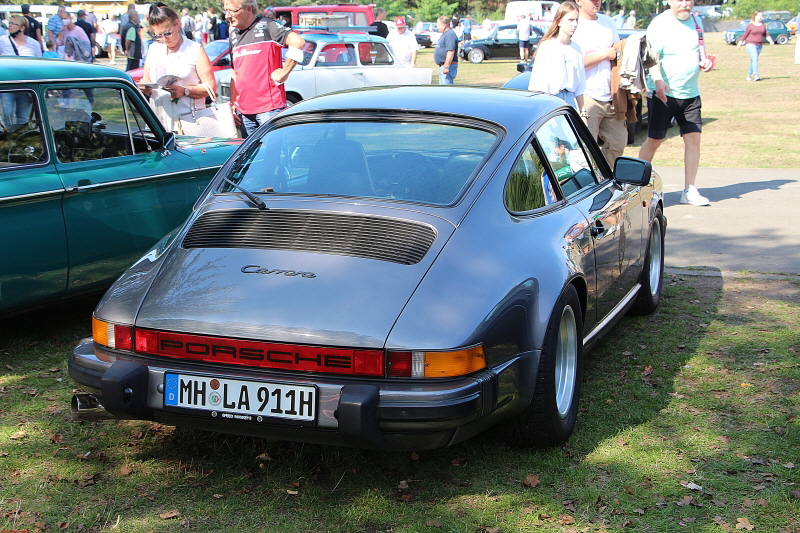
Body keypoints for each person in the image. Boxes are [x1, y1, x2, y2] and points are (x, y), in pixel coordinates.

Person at [638, 0, 714, 207]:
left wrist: (704, 62)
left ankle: (689, 189)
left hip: (691, 93)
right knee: (655, 140)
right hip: (663, 93)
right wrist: (659, 81)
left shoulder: (697, 21)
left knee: (693, 139)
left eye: (688, 0)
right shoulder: (659, 24)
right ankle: (636, 185)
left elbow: (699, 50)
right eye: (680, 0)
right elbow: (651, 58)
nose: (685, 4)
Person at [225, 0, 306, 137]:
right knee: (250, 158)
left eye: (232, 11)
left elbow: (298, 42)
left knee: (272, 154)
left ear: (249, 9)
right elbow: (235, 72)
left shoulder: (268, 26)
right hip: (243, 112)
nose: (227, 16)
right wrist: (233, 104)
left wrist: (284, 73)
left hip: (268, 109)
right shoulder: (233, 34)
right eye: (225, 10)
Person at [138, 3, 216, 134]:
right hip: (159, 124)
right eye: (158, 35)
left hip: (190, 125)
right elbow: (146, 78)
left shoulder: (194, 49)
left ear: (177, 24)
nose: (164, 39)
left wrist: (185, 91)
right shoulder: (154, 49)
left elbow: (211, 87)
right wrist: (144, 87)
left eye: (167, 33)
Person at [571, 0, 624, 167]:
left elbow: (616, 53)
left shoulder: (608, 22)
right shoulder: (574, 24)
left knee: (618, 144)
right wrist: (604, 55)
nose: (597, 2)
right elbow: (575, 63)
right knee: (586, 152)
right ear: (578, 1)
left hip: (612, 96)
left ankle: (607, 183)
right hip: (587, 96)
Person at [528, 1, 585, 112]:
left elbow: (580, 86)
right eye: (570, 20)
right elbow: (538, 84)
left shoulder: (576, 49)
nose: (575, 24)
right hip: (550, 101)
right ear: (559, 21)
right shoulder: (547, 46)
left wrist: (583, 112)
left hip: (570, 102)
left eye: (577, 20)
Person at [738, 11, 774, 81]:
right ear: (755, 16)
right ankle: (756, 76)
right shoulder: (750, 26)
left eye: (761, 16)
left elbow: (766, 34)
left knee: (753, 60)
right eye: (759, 16)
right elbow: (745, 35)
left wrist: (770, 41)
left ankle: (748, 75)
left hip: (759, 45)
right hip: (750, 45)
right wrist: (740, 43)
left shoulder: (763, 25)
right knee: (755, 58)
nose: (761, 17)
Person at [434, 15, 458, 84]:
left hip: (448, 67)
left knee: (447, 91)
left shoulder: (450, 34)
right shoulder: (445, 34)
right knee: (442, 91)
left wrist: (446, 66)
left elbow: (450, 51)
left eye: (438, 25)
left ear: (444, 25)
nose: (437, 27)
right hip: (443, 66)